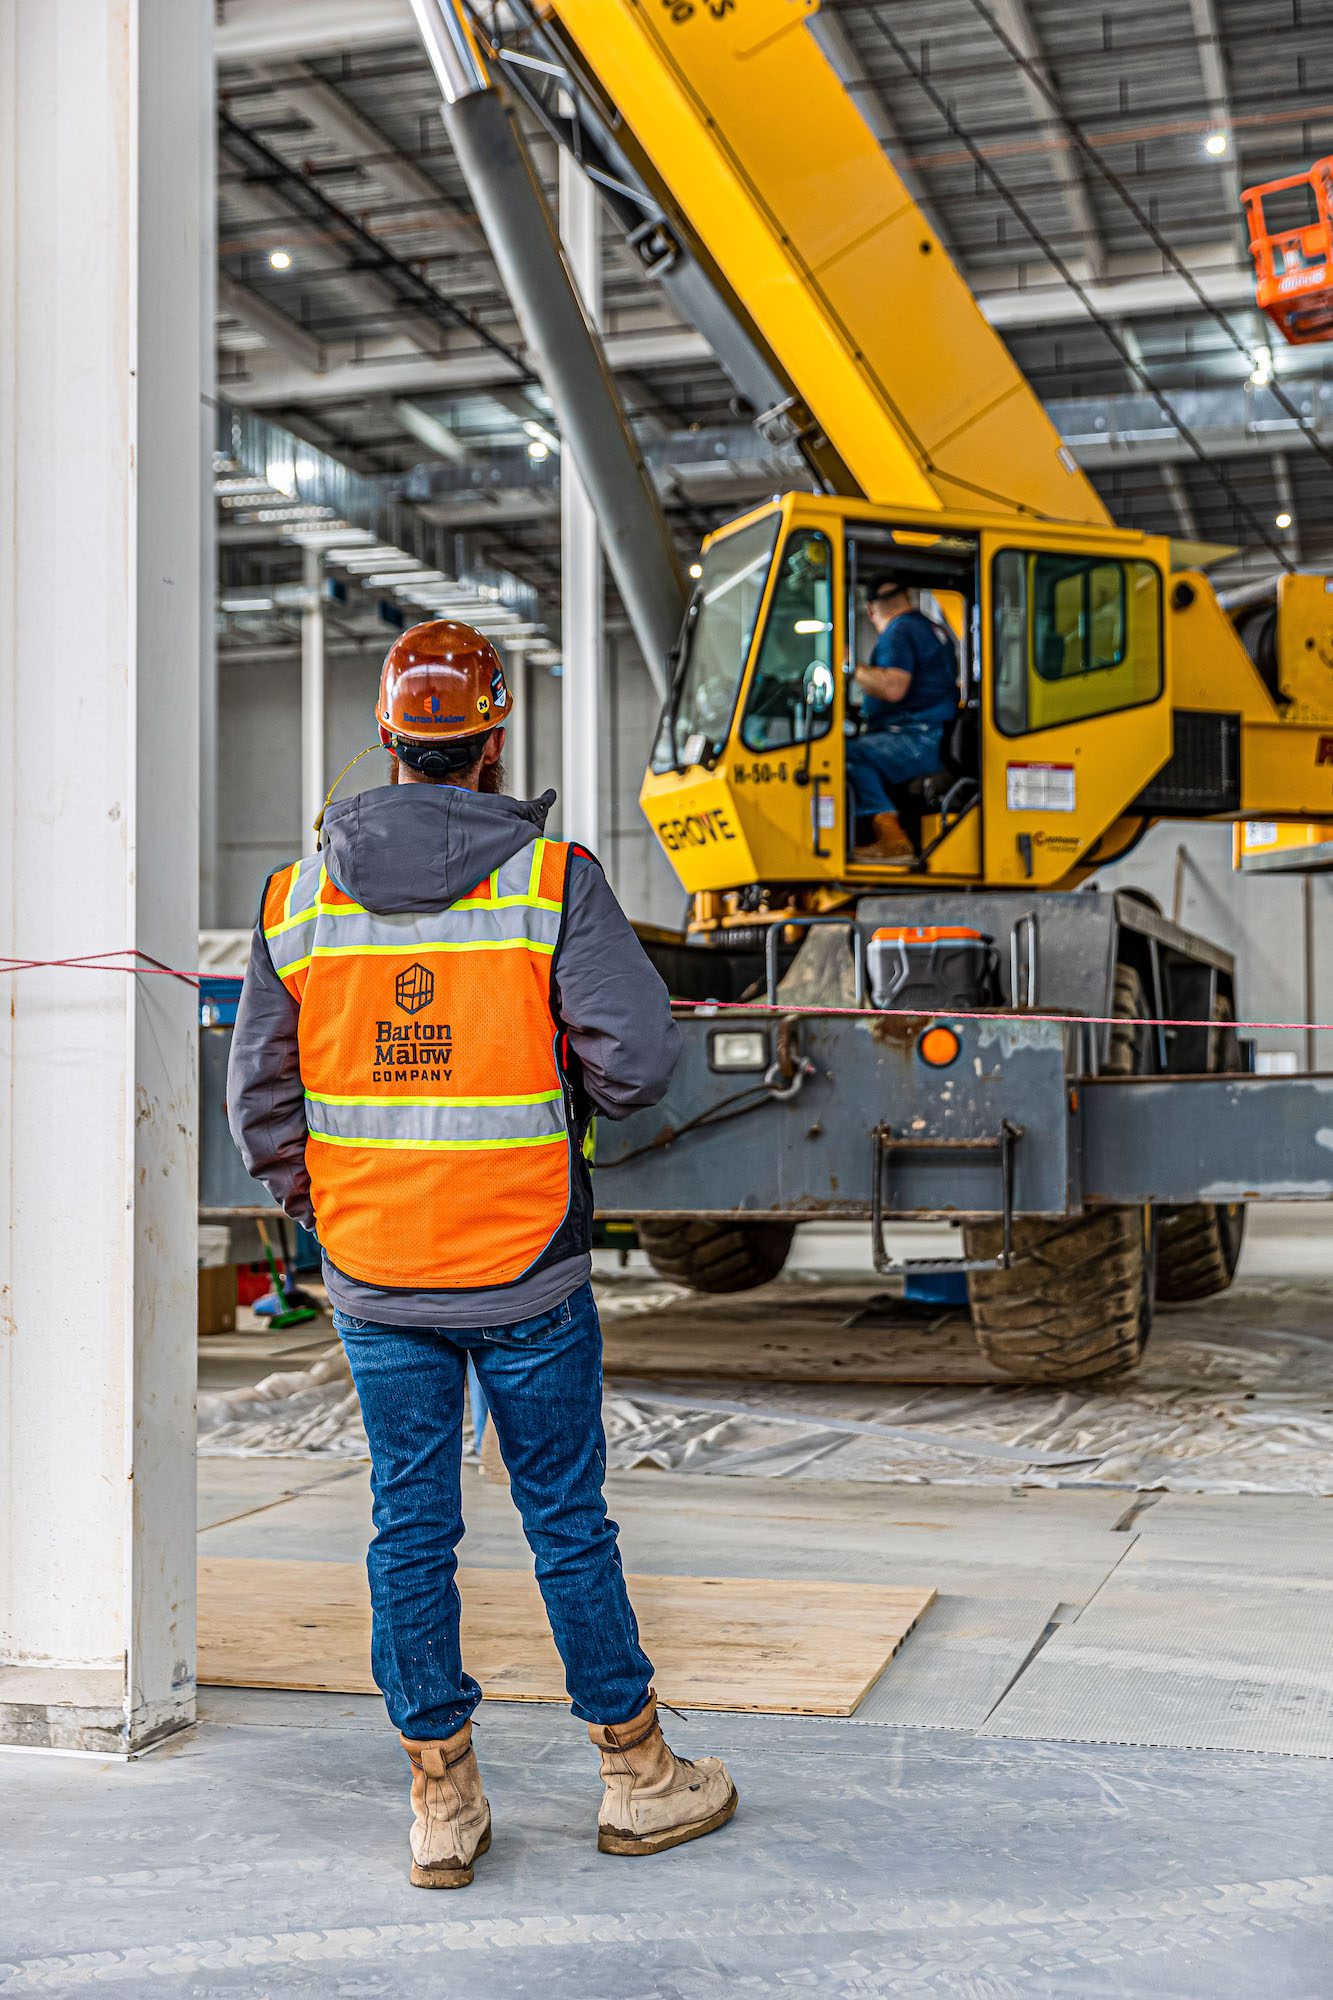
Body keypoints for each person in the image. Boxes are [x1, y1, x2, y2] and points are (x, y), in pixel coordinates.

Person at [228, 620, 737, 1888]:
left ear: (390, 739)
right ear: (492, 739)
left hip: (376, 1275)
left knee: (411, 1525)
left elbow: (259, 1103)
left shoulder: (298, 898)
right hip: (529, 1270)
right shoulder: (551, 880)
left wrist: (329, 1202)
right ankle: (635, 1775)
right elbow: (636, 1062)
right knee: (565, 1518)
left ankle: (442, 1801)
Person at [845, 574, 960, 862]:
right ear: (907, 595)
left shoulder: (900, 630)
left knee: (844, 755)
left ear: (871, 610)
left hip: (917, 739)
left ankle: (892, 839)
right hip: (932, 737)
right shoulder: (929, 628)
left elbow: (893, 687)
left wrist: (847, 664)